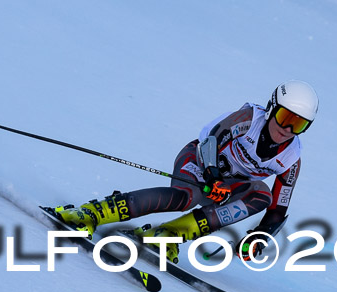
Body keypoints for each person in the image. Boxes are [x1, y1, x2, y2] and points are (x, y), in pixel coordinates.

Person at [56, 80, 319, 263]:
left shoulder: (291, 158)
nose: (287, 129)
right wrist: (213, 176)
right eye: (285, 117)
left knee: (260, 195)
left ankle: (168, 236)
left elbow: (278, 207)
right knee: (185, 197)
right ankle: (91, 213)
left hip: (226, 186)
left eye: (299, 124)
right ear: (272, 107)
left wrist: (260, 237)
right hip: (200, 160)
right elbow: (212, 141)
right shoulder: (249, 119)